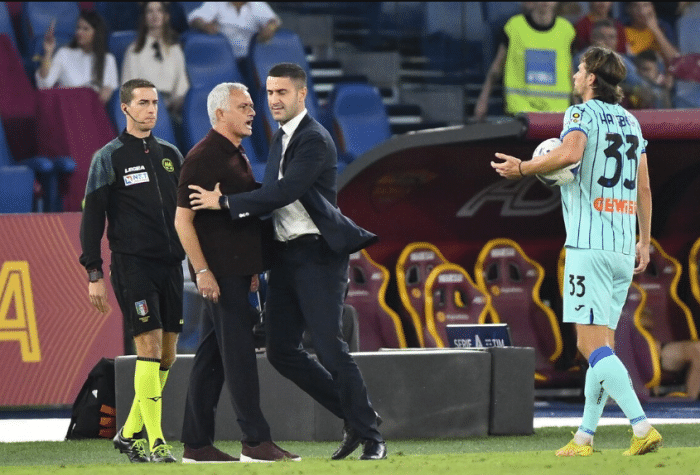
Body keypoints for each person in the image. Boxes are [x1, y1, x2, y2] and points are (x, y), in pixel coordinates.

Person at [187, 62, 387, 461]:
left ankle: (372, 436)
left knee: (329, 348)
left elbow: (285, 192)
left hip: (317, 256)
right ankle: (355, 416)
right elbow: (272, 197)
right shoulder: (279, 138)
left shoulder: (315, 138)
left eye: (282, 93)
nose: (273, 100)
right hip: (283, 258)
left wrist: (224, 202)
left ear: (301, 94)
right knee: (280, 350)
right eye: (270, 93)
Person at [491, 46, 661, 456]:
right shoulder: (632, 122)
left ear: (591, 78)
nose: (574, 75)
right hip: (622, 247)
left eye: (579, 69)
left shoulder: (580, 114)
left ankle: (641, 427)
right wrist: (644, 241)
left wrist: (523, 168)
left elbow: (569, 154)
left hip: (588, 245)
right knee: (603, 347)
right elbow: (644, 187)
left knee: (589, 345)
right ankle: (584, 437)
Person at [174, 82, 299, 463]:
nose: (252, 112)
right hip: (219, 275)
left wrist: (252, 266)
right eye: (243, 107)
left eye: (250, 106)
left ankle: (196, 444)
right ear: (219, 114)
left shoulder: (233, 152)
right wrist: (202, 271)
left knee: (210, 359)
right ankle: (255, 441)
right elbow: (182, 221)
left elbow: (237, 218)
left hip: (235, 271)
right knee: (240, 356)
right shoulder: (203, 157)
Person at [79, 78, 185, 463]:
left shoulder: (171, 154)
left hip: (171, 265)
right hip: (132, 264)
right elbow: (92, 219)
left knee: (168, 356)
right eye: (143, 103)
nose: (151, 109)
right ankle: (155, 443)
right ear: (124, 108)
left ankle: (127, 433)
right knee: (149, 348)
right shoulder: (108, 158)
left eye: (155, 102)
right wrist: (94, 272)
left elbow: (186, 213)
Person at [474, 2, 576, 122]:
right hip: (521, 114)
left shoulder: (566, 31)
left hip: (556, 115)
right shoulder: (514, 27)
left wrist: (579, 106)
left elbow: (570, 73)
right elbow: (497, 68)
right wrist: (483, 99)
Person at [121, 2, 190, 125]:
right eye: (150, 11)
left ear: (166, 16)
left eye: (159, 10)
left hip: (171, 110)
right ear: (144, 18)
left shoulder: (175, 50)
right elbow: (128, 88)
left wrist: (176, 102)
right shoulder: (133, 51)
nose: (155, 15)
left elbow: (181, 87)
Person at [35, 10, 119, 105]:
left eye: (85, 29)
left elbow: (113, 92)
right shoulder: (64, 53)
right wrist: (48, 52)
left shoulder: (108, 59)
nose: (79, 32)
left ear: (97, 33)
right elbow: (44, 85)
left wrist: (108, 91)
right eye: (78, 28)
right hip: (68, 108)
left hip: (95, 108)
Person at [187, 2, 281, 62]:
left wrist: (269, 29)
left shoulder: (257, 4)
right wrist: (205, 26)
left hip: (251, 58)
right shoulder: (216, 3)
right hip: (222, 57)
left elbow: (273, 21)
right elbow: (195, 18)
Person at [624, 2, 680, 67]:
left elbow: (676, 61)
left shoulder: (663, 27)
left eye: (646, 5)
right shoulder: (622, 31)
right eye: (636, 6)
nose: (642, 11)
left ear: (652, 7)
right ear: (629, 9)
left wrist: (655, 29)